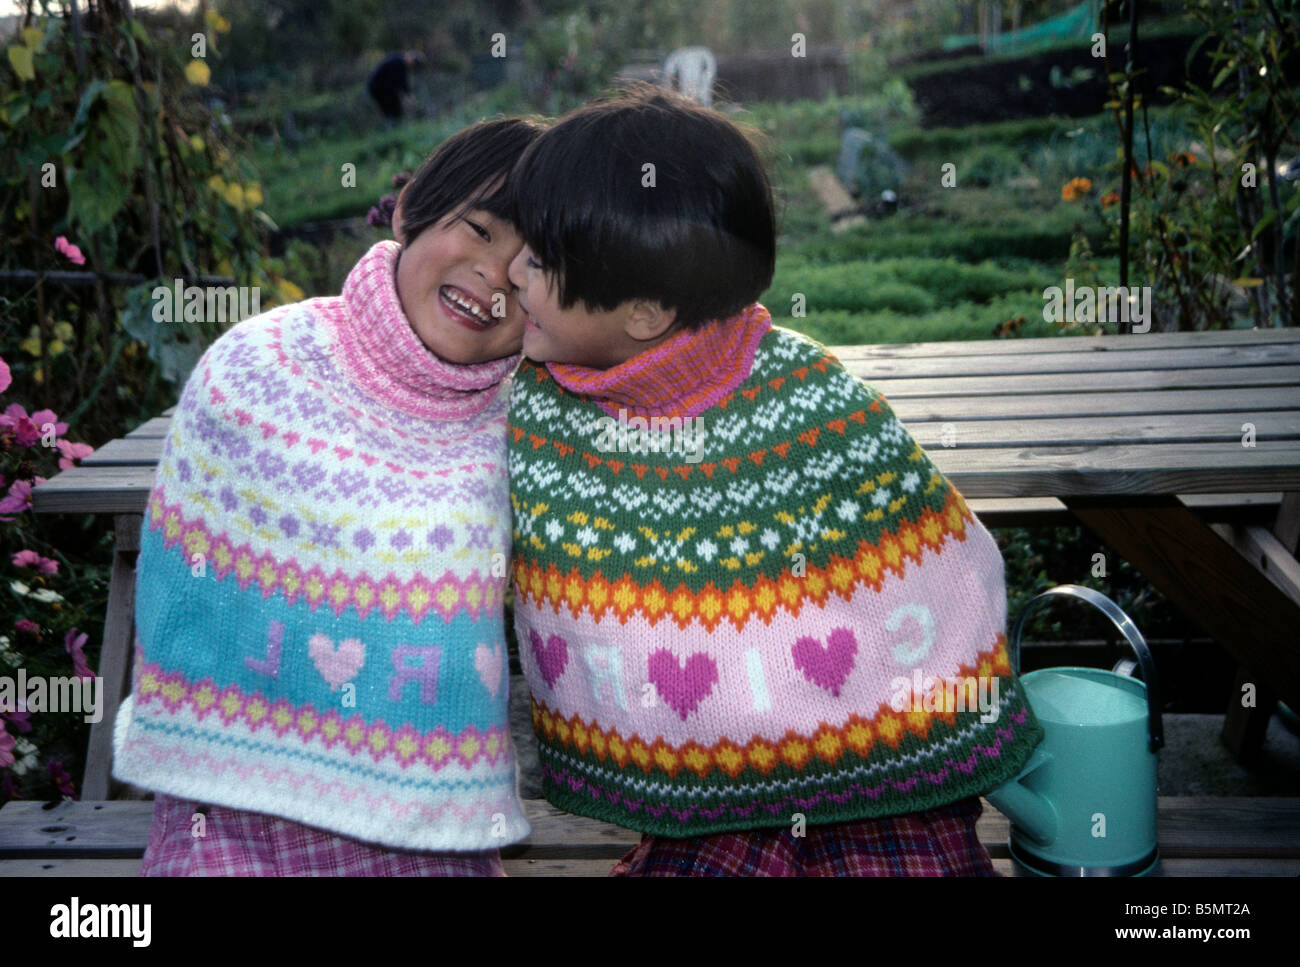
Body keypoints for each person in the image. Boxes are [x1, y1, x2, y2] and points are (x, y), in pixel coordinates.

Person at [504, 86, 1045, 876]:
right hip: (700, 795)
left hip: (885, 767)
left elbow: (940, 566)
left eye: (540, 259)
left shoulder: (812, 403)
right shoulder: (531, 408)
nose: (512, 269)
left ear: (645, 312)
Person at [112, 117, 545, 876]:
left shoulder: (532, 424)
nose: (493, 276)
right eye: (478, 230)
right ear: (410, 211)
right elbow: (182, 593)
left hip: (429, 830)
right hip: (229, 809)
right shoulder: (260, 365)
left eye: (528, 265)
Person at [367, 50, 422, 122]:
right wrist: (410, 99)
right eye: (413, 64)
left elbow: (403, 85)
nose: (411, 67)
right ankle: (392, 124)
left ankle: (392, 123)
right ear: (409, 57)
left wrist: (411, 99)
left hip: (378, 87)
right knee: (393, 110)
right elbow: (401, 84)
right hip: (378, 88)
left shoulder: (399, 62)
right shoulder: (398, 63)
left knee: (393, 110)